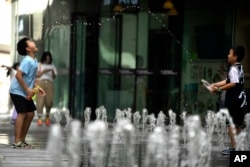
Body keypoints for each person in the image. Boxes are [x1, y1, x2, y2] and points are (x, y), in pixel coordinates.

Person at [211, 45, 247, 155]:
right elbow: (228, 81)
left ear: (235, 57)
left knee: (231, 125)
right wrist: (215, 84)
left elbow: (233, 83)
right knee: (235, 125)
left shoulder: (234, 69)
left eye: (230, 53)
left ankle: (235, 149)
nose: (228, 55)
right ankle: (236, 147)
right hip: (240, 101)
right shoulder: (238, 67)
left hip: (235, 101)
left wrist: (218, 89)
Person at [9, 37, 44, 148]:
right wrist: (27, 89)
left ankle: (22, 140)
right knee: (22, 113)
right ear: (28, 48)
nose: (34, 42)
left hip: (24, 92)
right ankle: (17, 141)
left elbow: (30, 78)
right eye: (31, 42)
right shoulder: (27, 60)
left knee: (30, 113)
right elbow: (18, 75)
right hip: (17, 91)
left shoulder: (34, 60)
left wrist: (37, 87)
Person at [36, 51, 57, 126]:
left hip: (50, 83)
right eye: (46, 58)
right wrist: (44, 71)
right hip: (41, 83)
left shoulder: (52, 66)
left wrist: (52, 72)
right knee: (40, 101)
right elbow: (37, 75)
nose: (48, 59)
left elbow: (54, 76)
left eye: (49, 58)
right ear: (44, 58)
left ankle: (47, 116)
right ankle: (39, 118)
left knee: (49, 101)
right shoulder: (40, 65)